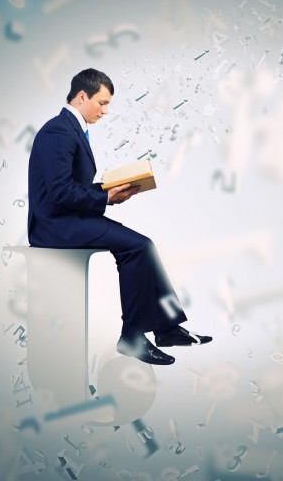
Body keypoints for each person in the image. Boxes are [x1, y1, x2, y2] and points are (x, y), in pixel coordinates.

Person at [27, 68, 212, 365]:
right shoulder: (59, 131)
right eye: (102, 103)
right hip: (55, 226)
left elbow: (68, 186)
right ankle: (132, 338)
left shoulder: (69, 129)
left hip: (68, 219)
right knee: (137, 247)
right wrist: (105, 197)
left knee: (143, 245)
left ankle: (166, 329)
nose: (105, 111)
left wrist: (109, 191)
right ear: (82, 96)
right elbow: (59, 193)